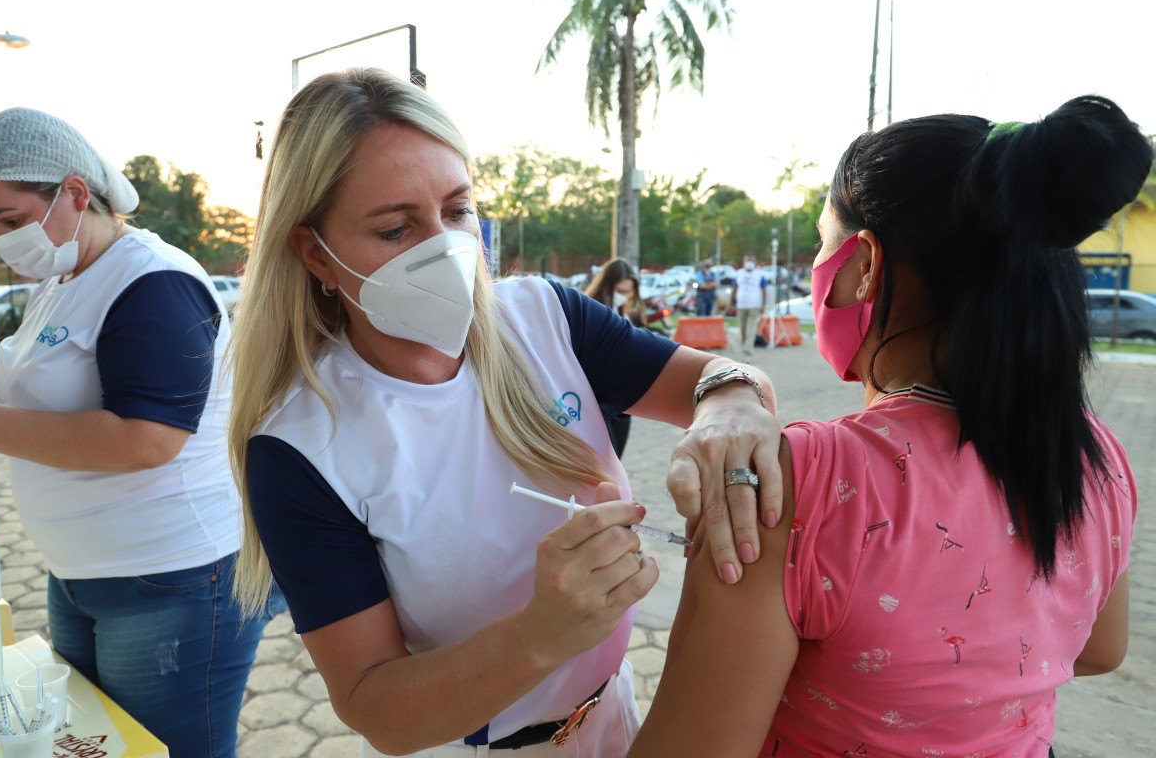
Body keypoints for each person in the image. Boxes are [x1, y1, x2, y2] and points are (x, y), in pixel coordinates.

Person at [228, 68, 784, 758]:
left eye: (458, 211)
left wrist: (730, 402)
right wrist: (539, 635)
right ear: (316, 251)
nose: (444, 249)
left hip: (615, 716)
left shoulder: (544, 316)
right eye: (397, 228)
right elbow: (377, 711)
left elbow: (716, 379)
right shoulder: (302, 447)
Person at [629, 96, 1148, 756]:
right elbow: (1101, 648)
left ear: (866, 264)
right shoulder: (1094, 454)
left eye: (824, 243)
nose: (819, 268)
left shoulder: (800, 483)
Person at [0, 108, 283, 757]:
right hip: (83, 574)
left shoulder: (152, 281)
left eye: (9, 219)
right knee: (106, 745)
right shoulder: (64, 280)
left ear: (76, 193)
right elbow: (32, 399)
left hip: (171, 581)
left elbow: (147, 438)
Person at [584, 258, 649, 457]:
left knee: (616, 460)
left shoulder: (625, 315)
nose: (624, 297)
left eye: (628, 292)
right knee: (605, 462)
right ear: (607, 286)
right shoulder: (588, 314)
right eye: (620, 291)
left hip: (622, 403)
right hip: (596, 402)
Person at [733, 254, 768, 354]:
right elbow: (734, 288)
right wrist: (732, 301)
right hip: (741, 305)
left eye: (751, 261)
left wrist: (763, 305)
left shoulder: (759, 275)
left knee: (751, 329)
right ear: (744, 262)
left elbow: (764, 290)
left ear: (755, 262)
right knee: (743, 329)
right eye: (748, 260)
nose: (749, 263)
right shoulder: (738, 273)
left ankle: (748, 349)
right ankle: (745, 346)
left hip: (754, 305)